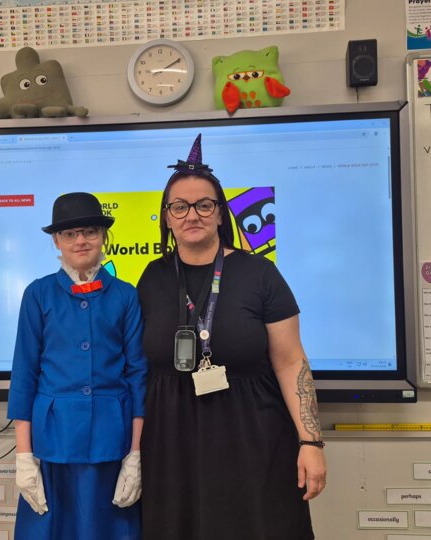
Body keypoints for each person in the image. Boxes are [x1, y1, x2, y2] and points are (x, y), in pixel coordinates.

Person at [136, 135, 326, 540]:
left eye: (204, 205)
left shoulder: (260, 274)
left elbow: (291, 361)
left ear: (221, 213)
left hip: (253, 440)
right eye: (179, 206)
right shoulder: (151, 277)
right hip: (172, 445)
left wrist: (311, 442)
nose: (192, 215)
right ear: (166, 217)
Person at [7, 192, 147, 540]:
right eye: (69, 234)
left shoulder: (126, 295)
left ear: (103, 236)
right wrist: (24, 456)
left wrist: (135, 454)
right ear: (57, 241)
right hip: (53, 440)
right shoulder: (38, 294)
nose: (80, 240)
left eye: (90, 231)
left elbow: (137, 375)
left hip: (112, 440)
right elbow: (24, 374)